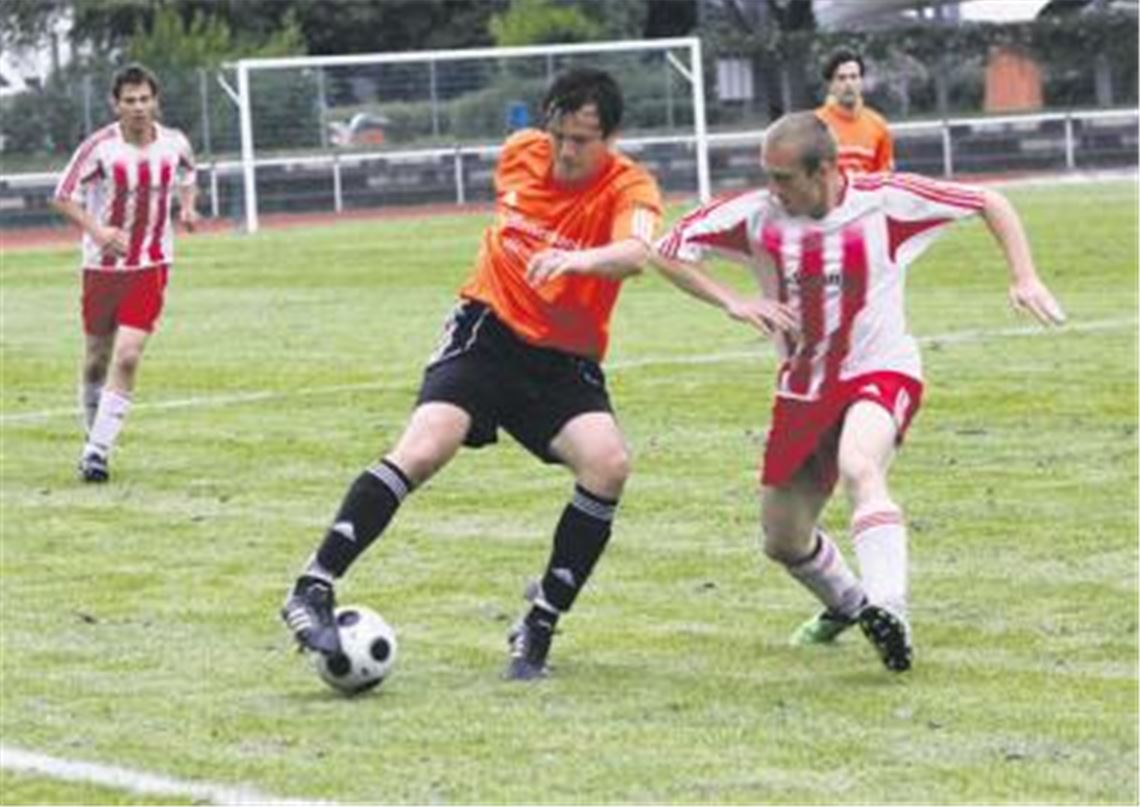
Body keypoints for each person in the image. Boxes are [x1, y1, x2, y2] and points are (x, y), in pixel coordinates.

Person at [280, 68, 662, 681]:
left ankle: (538, 625)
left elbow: (637, 254)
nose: (565, 151)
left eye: (582, 141)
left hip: (563, 361)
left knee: (608, 464)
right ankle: (313, 585)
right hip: (487, 334)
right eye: (558, 134)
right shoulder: (519, 154)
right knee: (427, 445)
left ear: (611, 137)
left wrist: (577, 258)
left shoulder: (630, 186)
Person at [650, 112, 1065, 672]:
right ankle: (854, 606)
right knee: (783, 539)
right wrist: (733, 300)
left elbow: (990, 201)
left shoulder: (886, 202)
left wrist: (1025, 276)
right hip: (803, 388)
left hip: (882, 368)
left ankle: (891, 607)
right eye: (767, 176)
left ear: (826, 169)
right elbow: (665, 248)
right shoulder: (756, 217)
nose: (773, 189)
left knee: (860, 465)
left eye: (784, 178)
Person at [51, 63, 199, 483]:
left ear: (156, 101)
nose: (138, 107)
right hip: (102, 268)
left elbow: (189, 172)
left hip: (151, 264)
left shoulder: (174, 143)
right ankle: (94, 433)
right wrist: (98, 231)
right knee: (96, 358)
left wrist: (187, 207)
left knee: (128, 355)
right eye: (129, 100)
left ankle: (97, 451)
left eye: (145, 99)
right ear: (116, 105)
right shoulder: (100, 148)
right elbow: (63, 197)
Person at [815, 47, 894, 175]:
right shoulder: (815, 124)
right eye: (841, 78)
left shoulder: (878, 125)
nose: (849, 84)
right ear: (830, 85)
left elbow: (885, 179)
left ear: (861, 81)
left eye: (854, 77)